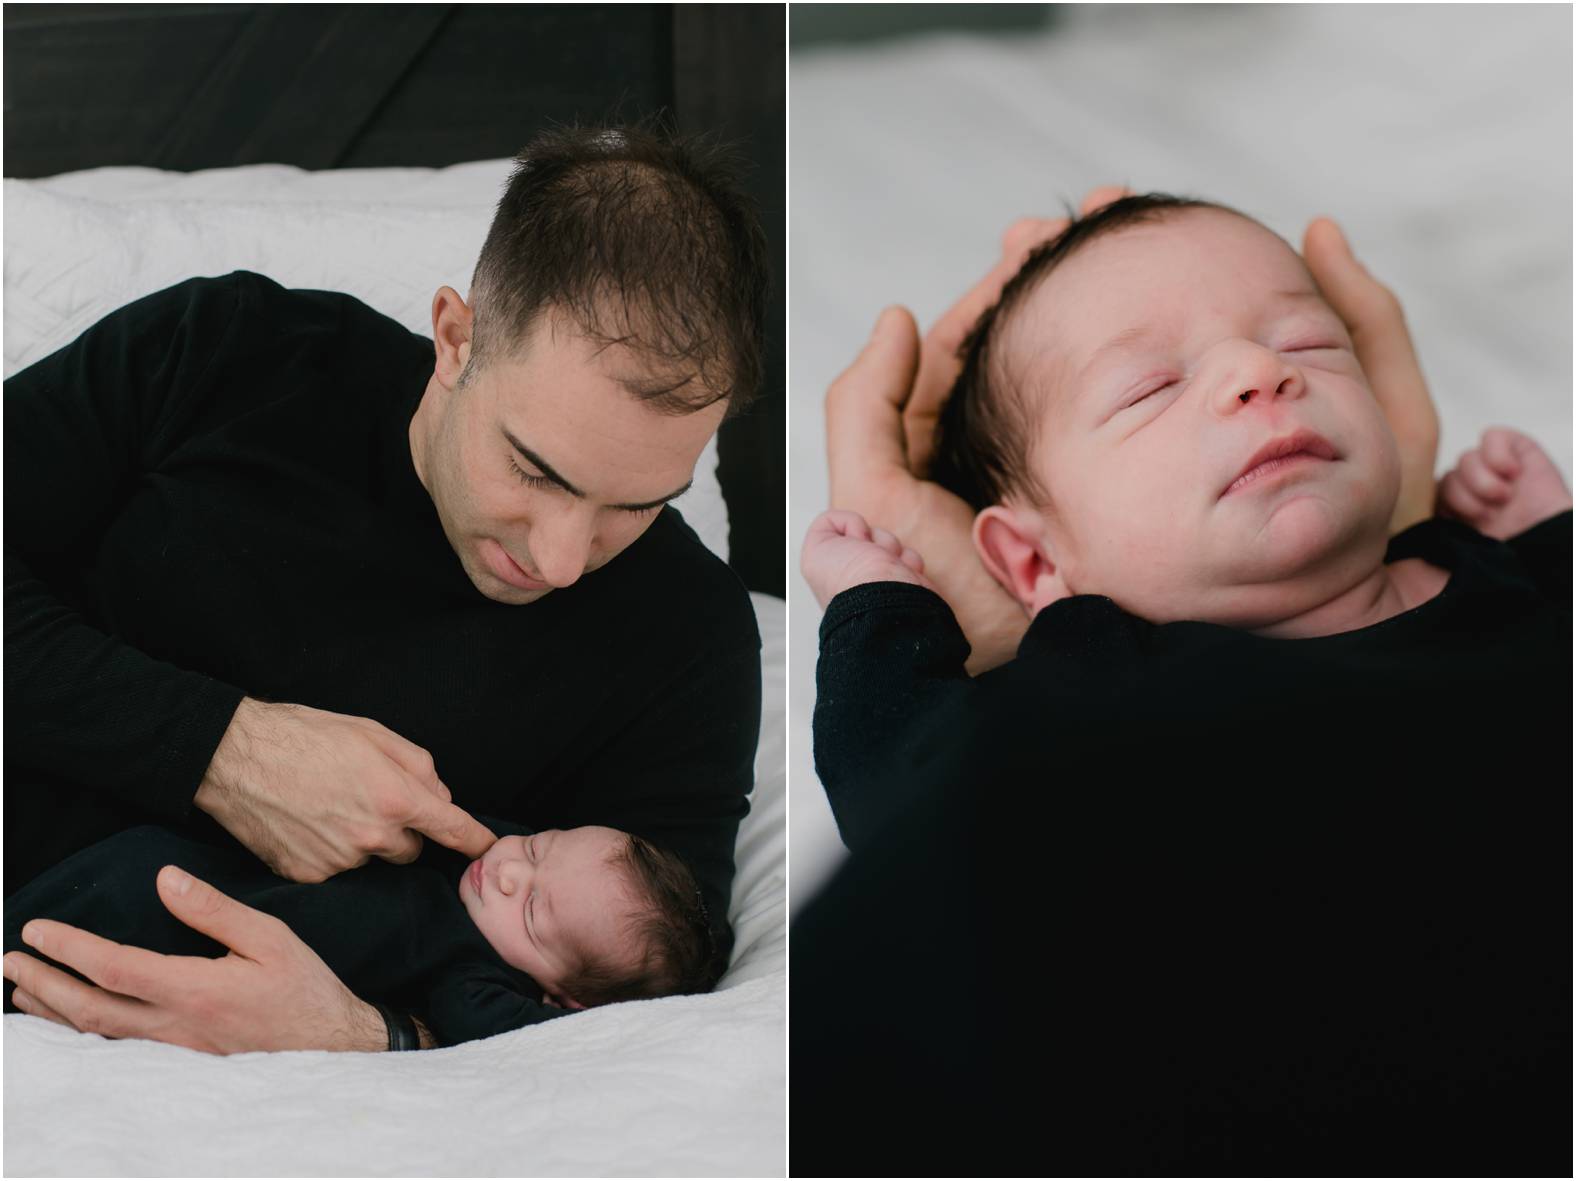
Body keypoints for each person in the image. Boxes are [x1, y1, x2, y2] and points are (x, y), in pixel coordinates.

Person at [793, 193, 1570, 1174]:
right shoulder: (1084, 687)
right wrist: (882, 612)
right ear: (1032, 563)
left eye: (1310, 342)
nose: (1260, 372)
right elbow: (907, 788)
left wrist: (1549, 534)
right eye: (1148, 387)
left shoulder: (1490, 573)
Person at [2, 121, 769, 1054]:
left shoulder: (689, 638)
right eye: (537, 471)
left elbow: (648, 998)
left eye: (640, 504)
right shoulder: (226, 353)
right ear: (456, 337)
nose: (565, 558)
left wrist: (370, 1035)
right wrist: (220, 749)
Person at [5, 819, 722, 1048]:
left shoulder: (476, 977)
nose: (507, 871)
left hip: (163, 928)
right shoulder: (471, 879)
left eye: (534, 911)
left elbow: (518, 1039)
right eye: (537, 843)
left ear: (559, 995)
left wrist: (560, 1022)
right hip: (181, 873)